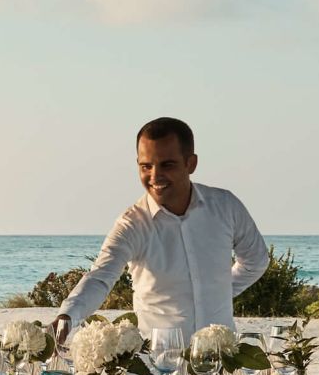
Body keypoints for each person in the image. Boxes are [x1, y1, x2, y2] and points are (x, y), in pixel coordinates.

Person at [53, 117, 268, 345]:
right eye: (146, 166)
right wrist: (67, 315)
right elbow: (100, 278)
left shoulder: (225, 206)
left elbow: (256, 261)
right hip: (158, 367)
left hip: (220, 359)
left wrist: (215, 293)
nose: (155, 176)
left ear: (190, 164)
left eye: (167, 165)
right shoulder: (131, 224)